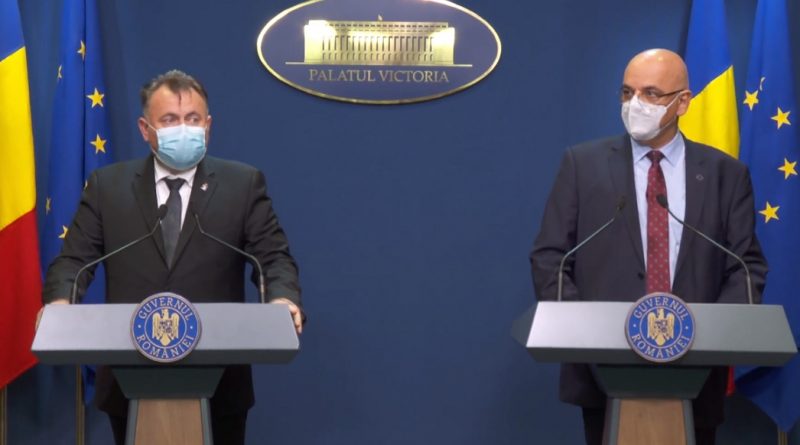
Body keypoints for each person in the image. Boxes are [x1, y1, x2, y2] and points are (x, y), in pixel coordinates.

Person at [40, 69, 303, 445]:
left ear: (208, 126)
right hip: (129, 378)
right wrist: (60, 302)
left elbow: (273, 257)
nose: (184, 129)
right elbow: (73, 261)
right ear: (145, 129)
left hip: (220, 383)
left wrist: (281, 298)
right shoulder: (107, 187)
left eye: (193, 119)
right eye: (169, 120)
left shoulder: (242, 184)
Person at [529, 49, 767, 445]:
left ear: (683, 102)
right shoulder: (582, 165)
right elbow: (550, 257)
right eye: (627, 92)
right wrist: (584, 331)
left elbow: (746, 267)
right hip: (603, 371)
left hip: (697, 372)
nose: (635, 104)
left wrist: (712, 335)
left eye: (651, 93)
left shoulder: (726, 174)